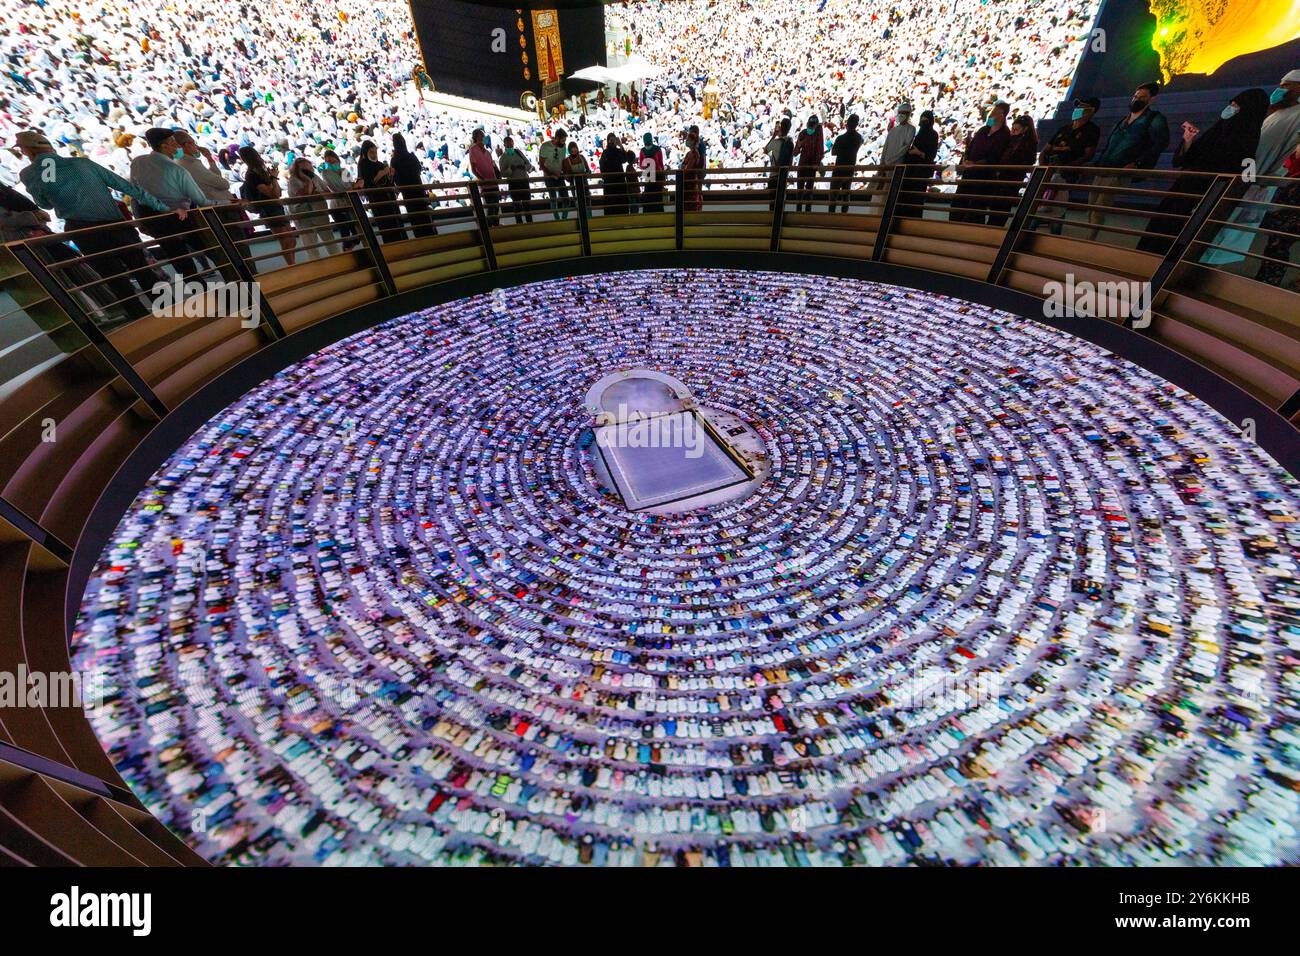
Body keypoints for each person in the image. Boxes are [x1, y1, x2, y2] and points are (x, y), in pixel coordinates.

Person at [16, 129, 174, 318]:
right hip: (116, 224)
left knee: (114, 277)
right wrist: (163, 208)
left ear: (27, 150)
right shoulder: (83, 163)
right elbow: (127, 187)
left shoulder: (29, 173)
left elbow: (44, 203)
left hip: (82, 229)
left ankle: (139, 318)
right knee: (140, 268)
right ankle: (171, 311)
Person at [1137, 88, 1269, 254]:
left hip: (1202, 196)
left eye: (1236, 105)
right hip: (1183, 190)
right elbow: (1184, 159)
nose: (1230, 108)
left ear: (1248, 110)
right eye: (1231, 104)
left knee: (1177, 235)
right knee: (1162, 230)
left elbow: (1238, 172)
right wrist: (1188, 141)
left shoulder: (1246, 140)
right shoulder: (1218, 130)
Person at [1203, 68, 1300, 264]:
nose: (1279, 90)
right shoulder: (1278, 112)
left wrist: (1272, 178)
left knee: (1229, 232)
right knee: (1214, 226)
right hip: (1245, 174)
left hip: (1260, 181)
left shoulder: (1297, 115)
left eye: (1285, 86)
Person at [1085, 82, 1170, 241]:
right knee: (1091, 206)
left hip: (1120, 171)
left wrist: (1137, 163)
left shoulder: (1154, 119)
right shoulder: (1124, 119)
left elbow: (1161, 143)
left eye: (1142, 97)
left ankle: (1089, 240)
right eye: (1135, 96)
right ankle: (1088, 236)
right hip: (1104, 167)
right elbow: (1111, 143)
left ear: (1152, 99)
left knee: (1100, 208)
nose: (1136, 99)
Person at [130, 127, 212, 278]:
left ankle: (199, 293)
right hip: (181, 217)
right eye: (174, 142)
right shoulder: (177, 170)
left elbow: (135, 194)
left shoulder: (138, 162)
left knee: (181, 262)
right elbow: (201, 201)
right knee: (210, 249)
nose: (178, 146)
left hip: (154, 221)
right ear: (164, 146)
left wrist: (140, 219)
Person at [1033, 97, 1100, 233]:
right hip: (1048, 171)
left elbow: (1088, 155)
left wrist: (1067, 167)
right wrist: (1043, 166)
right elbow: (1046, 150)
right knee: (1039, 202)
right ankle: (1033, 227)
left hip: (1067, 174)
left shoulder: (1092, 130)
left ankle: (1054, 234)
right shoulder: (1064, 128)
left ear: (1091, 111)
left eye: (1082, 106)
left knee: (1058, 205)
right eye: (1077, 106)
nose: (1077, 109)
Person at [951, 102, 1011, 224]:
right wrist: (966, 158)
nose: (991, 113)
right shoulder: (984, 129)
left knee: (977, 205)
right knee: (959, 201)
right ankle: (954, 225)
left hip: (984, 175)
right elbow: (971, 146)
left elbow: (995, 156)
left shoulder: (1005, 133)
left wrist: (976, 163)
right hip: (969, 171)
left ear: (1002, 114)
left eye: (995, 111)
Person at [240, 145, 297, 265]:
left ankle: (293, 264)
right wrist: (274, 178)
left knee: (290, 239)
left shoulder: (259, 172)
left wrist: (273, 179)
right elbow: (273, 194)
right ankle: (292, 265)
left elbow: (276, 193)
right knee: (286, 239)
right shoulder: (252, 175)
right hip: (269, 209)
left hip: (275, 207)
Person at [1255, 140, 1300, 289]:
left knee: (1279, 242)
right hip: (1290, 191)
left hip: (1293, 193)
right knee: (1279, 242)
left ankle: (1267, 284)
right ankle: (1267, 284)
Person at [988, 114, 1038, 227]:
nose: (1013, 131)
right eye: (1013, 129)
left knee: (1004, 205)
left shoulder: (1029, 143)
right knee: (996, 204)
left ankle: (996, 227)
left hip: (1013, 177)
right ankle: (992, 226)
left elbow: (1029, 160)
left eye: (1016, 129)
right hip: (1002, 176)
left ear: (1025, 129)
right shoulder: (1011, 140)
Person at [286, 156, 338, 258]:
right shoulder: (293, 180)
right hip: (303, 217)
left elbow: (327, 191)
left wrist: (318, 192)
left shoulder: (315, 176)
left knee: (329, 240)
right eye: (304, 169)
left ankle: (338, 260)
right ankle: (317, 266)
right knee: (311, 245)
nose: (308, 170)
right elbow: (304, 195)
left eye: (309, 168)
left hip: (320, 213)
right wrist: (308, 182)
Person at [357, 139, 403, 241]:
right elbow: (367, 184)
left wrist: (391, 175)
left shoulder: (380, 164)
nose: (374, 155)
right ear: (366, 152)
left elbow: (388, 182)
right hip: (377, 200)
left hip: (389, 198)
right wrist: (381, 174)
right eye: (371, 152)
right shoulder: (363, 165)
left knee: (395, 222)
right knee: (386, 225)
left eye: (375, 152)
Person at [392, 133, 436, 238]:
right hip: (418, 190)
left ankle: (420, 238)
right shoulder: (411, 157)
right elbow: (418, 170)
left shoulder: (394, 160)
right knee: (424, 215)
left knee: (415, 218)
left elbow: (395, 178)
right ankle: (431, 236)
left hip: (407, 193)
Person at [898, 109, 940, 218]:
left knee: (916, 199)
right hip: (911, 171)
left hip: (921, 172)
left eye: (926, 120)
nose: (924, 123)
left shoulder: (933, 135)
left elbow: (931, 155)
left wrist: (918, 153)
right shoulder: (919, 133)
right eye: (922, 120)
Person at [316, 149, 359, 250]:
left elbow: (349, 185)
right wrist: (350, 187)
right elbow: (341, 188)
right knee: (345, 233)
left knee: (357, 233)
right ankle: (347, 252)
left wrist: (350, 186)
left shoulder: (344, 171)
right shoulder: (325, 173)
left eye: (333, 161)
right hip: (337, 207)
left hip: (349, 204)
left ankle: (349, 248)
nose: (331, 164)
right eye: (328, 162)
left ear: (338, 160)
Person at [829, 113, 863, 213]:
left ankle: (830, 216)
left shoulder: (840, 138)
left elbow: (833, 152)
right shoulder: (859, 138)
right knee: (846, 195)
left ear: (847, 124)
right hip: (849, 169)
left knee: (833, 196)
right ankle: (844, 216)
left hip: (839, 169)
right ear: (856, 125)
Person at [468, 128, 502, 227]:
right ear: (476, 137)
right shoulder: (473, 149)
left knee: (496, 206)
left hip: (493, 182)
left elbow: (492, 167)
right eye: (481, 135)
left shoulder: (487, 152)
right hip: (486, 184)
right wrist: (482, 179)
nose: (483, 137)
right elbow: (473, 169)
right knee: (491, 206)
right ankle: (489, 227)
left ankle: (496, 225)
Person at [497, 136, 535, 224]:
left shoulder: (518, 152)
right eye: (508, 145)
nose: (510, 147)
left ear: (513, 143)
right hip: (514, 183)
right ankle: (519, 224)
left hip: (524, 181)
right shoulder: (503, 158)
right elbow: (502, 174)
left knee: (527, 205)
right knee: (517, 206)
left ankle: (530, 223)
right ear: (505, 145)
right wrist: (511, 169)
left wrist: (523, 167)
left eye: (511, 144)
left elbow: (529, 165)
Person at [793, 115, 824, 212]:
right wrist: (799, 145)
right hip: (803, 165)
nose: (810, 128)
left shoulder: (818, 135)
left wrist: (816, 164)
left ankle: (807, 211)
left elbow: (820, 151)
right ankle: (799, 211)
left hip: (811, 167)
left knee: (809, 191)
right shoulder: (803, 133)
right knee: (800, 191)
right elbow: (795, 152)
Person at [599, 132, 633, 215]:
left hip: (618, 182)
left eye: (613, 140)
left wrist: (620, 145)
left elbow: (625, 159)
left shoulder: (618, 151)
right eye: (611, 140)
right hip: (611, 182)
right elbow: (602, 166)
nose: (612, 142)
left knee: (620, 204)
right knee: (611, 204)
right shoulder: (605, 153)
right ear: (608, 141)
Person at [539, 128, 570, 219]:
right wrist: (550, 174)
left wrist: (565, 172)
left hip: (560, 175)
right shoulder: (545, 146)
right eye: (562, 140)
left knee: (566, 200)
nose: (564, 142)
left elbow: (563, 161)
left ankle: (564, 219)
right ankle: (557, 219)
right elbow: (541, 164)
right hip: (548, 177)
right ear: (556, 138)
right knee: (553, 199)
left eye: (565, 140)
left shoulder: (563, 147)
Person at [767, 117, 794, 210]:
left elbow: (766, 150)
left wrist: (774, 135)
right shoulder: (790, 143)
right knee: (780, 204)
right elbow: (790, 161)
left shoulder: (774, 142)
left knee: (772, 206)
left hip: (773, 176)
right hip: (782, 176)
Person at [880, 103, 916, 167]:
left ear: (908, 115)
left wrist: (890, 160)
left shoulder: (911, 129)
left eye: (903, 113)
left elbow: (905, 148)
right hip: (886, 164)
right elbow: (885, 147)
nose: (901, 115)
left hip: (898, 164)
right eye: (900, 112)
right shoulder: (893, 130)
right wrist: (882, 162)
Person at [638, 133, 666, 213]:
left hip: (648, 176)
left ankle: (648, 215)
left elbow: (641, 166)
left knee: (649, 196)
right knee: (657, 197)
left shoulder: (642, 151)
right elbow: (661, 164)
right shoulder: (657, 149)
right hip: (658, 176)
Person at [562, 140, 591, 210]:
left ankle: (589, 217)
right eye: (572, 152)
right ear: (569, 151)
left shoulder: (582, 157)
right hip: (574, 184)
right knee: (578, 203)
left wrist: (587, 174)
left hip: (584, 183)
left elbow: (588, 170)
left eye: (576, 151)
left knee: (587, 201)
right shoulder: (566, 161)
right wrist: (570, 176)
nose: (574, 153)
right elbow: (566, 176)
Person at [681, 131, 705, 212]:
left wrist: (684, 168)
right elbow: (683, 166)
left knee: (691, 203)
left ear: (692, 141)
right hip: (687, 182)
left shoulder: (694, 154)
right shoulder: (689, 153)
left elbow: (688, 168)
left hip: (691, 182)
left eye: (688, 139)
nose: (686, 141)